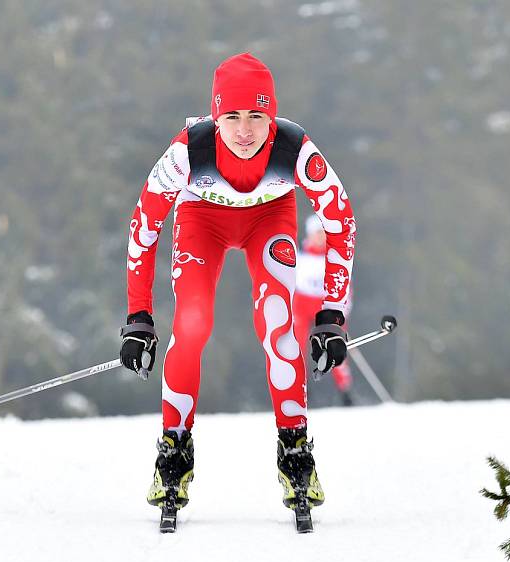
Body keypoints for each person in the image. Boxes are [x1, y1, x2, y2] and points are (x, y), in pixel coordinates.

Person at [119, 53, 356, 519]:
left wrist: (332, 314)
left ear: (273, 116)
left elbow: (341, 221)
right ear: (214, 115)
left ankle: (295, 452)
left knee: (277, 322)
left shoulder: (294, 148)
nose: (244, 131)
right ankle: (174, 450)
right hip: (201, 221)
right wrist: (139, 317)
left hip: (269, 220)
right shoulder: (187, 151)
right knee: (192, 324)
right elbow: (144, 226)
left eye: (257, 116)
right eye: (231, 117)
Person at [294, 214, 354, 406]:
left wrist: (344, 308)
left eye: (323, 234)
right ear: (309, 235)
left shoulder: (333, 258)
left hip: (326, 308)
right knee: (296, 348)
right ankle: (300, 390)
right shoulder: (299, 258)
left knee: (335, 347)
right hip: (301, 307)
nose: (320, 238)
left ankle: (345, 392)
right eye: (316, 234)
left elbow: (344, 286)